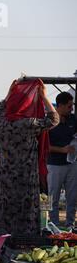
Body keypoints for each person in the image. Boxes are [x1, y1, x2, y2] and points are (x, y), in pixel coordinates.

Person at [0, 79, 59, 237]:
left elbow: (3, 107)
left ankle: (4, 244)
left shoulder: (1, 122)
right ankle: (25, 244)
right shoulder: (28, 124)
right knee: (26, 214)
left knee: (7, 212)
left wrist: (10, 93)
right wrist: (44, 96)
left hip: (4, 179)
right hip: (25, 179)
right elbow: (54, 119)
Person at [47, 92, 77, 229]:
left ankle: (70, 225)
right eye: (69, 106)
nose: (71, 108)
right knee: (53, 197)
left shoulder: (73, 119)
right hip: (54, 165)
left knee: (72, 196)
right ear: (60, 106)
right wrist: (62, 150)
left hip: (72, 164)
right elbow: (44, 146)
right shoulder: (49, 121)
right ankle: (54, 225)